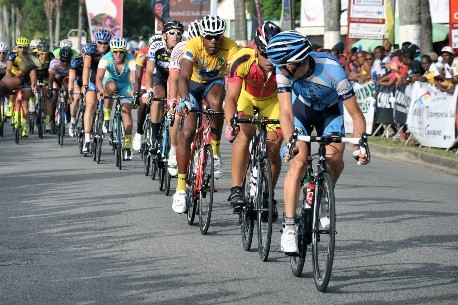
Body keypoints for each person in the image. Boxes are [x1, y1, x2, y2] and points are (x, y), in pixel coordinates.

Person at [265, 31, 369, 253]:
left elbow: (356, 115)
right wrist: (290, 138)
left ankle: (322, 194)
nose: (278, 68)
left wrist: (360, 145)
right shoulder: (282, 69)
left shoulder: (332, 70)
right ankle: (290, 227)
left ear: (296, 61)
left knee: (334, 157)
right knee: (299, 162)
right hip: (301, 111)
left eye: (282, 65)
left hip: (330, 112)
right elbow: (285, 111)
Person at [171, 15, 238, 214]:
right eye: (209, 37)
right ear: (202, 36)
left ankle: (215, 153)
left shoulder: (231, 46)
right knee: (188, 131)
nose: (213, 41)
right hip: (192, 86)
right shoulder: (192, 45)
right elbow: (183, 76)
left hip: (213, 84)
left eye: (217, 37)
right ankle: (181, 188)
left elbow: (237, 72)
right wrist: (184, 99)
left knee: (217, 103)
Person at [224, 21, 283, 219]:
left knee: (274, 146)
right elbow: (231, 97)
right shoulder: (242, 59)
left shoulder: (285, 63)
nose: (269, 59)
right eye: (265, 53)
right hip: (246, 97)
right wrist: (230, 121)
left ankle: (267, 195)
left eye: (273, 54)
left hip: (273, 100)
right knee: (245, 133)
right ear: (256, 48)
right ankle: (236, 189)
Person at [133, 20, 184, 152]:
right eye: (171, 33)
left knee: (178, 103)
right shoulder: (156, 46)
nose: (175, 36)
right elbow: (149, 71)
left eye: (179, 33)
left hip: (175, 77)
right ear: (164, 35)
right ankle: (155, 137)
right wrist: (149, 89)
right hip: (159, 76)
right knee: (158, 96)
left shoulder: (184, 48)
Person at [166, 19, 201, 176]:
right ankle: (174, 148)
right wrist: (173, 101)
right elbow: (174, 78)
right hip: (183, 83)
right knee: (177, 115)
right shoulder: (180, 49)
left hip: (201, 84)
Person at [95, 37, 136, 160]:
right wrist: (101, 90)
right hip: (110, 81)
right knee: (111, 87)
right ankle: (107, 118)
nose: (118, 54)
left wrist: (136, 91)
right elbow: (98, 78)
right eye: (115, 51)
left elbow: (135, 79)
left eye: (121, 52)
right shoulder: (106, 58)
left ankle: (128, 146)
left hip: (125, 85)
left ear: (125, 51)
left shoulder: (130, 59)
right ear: (111, 51)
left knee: (127, 112)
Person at [81, 29, 112, 152]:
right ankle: (87, 138)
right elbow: (87, 67)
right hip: (93, 79)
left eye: (105, 43)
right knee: (90, 105)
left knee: (110, 93)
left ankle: (106, 119)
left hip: (106, 78)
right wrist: (84, 84)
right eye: (100, 42)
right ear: (96, 42)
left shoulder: (112, 51)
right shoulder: (91, 49)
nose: (103, 45)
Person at [5, 37, 38, 138]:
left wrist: (33, 84)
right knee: (12, 89)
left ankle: (24, 128)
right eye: (20, 47)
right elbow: (8, 69)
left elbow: (32, 72)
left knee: (25, 105)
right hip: (14, 76)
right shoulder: (12, 55)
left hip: (25, 79)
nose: (22, 49)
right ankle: (10, 106)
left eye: (24, 47)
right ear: (16, 47)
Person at [47, 47, 71, 133]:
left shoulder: (72, 63)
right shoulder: (54, 63)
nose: (65, 63)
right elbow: (50, 79)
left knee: (68, 87)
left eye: (67, 61)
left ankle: (68, 110)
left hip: (65, 79)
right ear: (60, 58)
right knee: (54, 97)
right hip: (55, 79)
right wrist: (50, 90)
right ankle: (52, 120)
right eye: (63, 60)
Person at [67, 53, 84, 137]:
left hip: (89, 81)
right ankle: (73, 120)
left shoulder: (96, 59)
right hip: (78, 81)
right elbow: (71, 80)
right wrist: (70, 94)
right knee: (76, 97)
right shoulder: (76, 61)